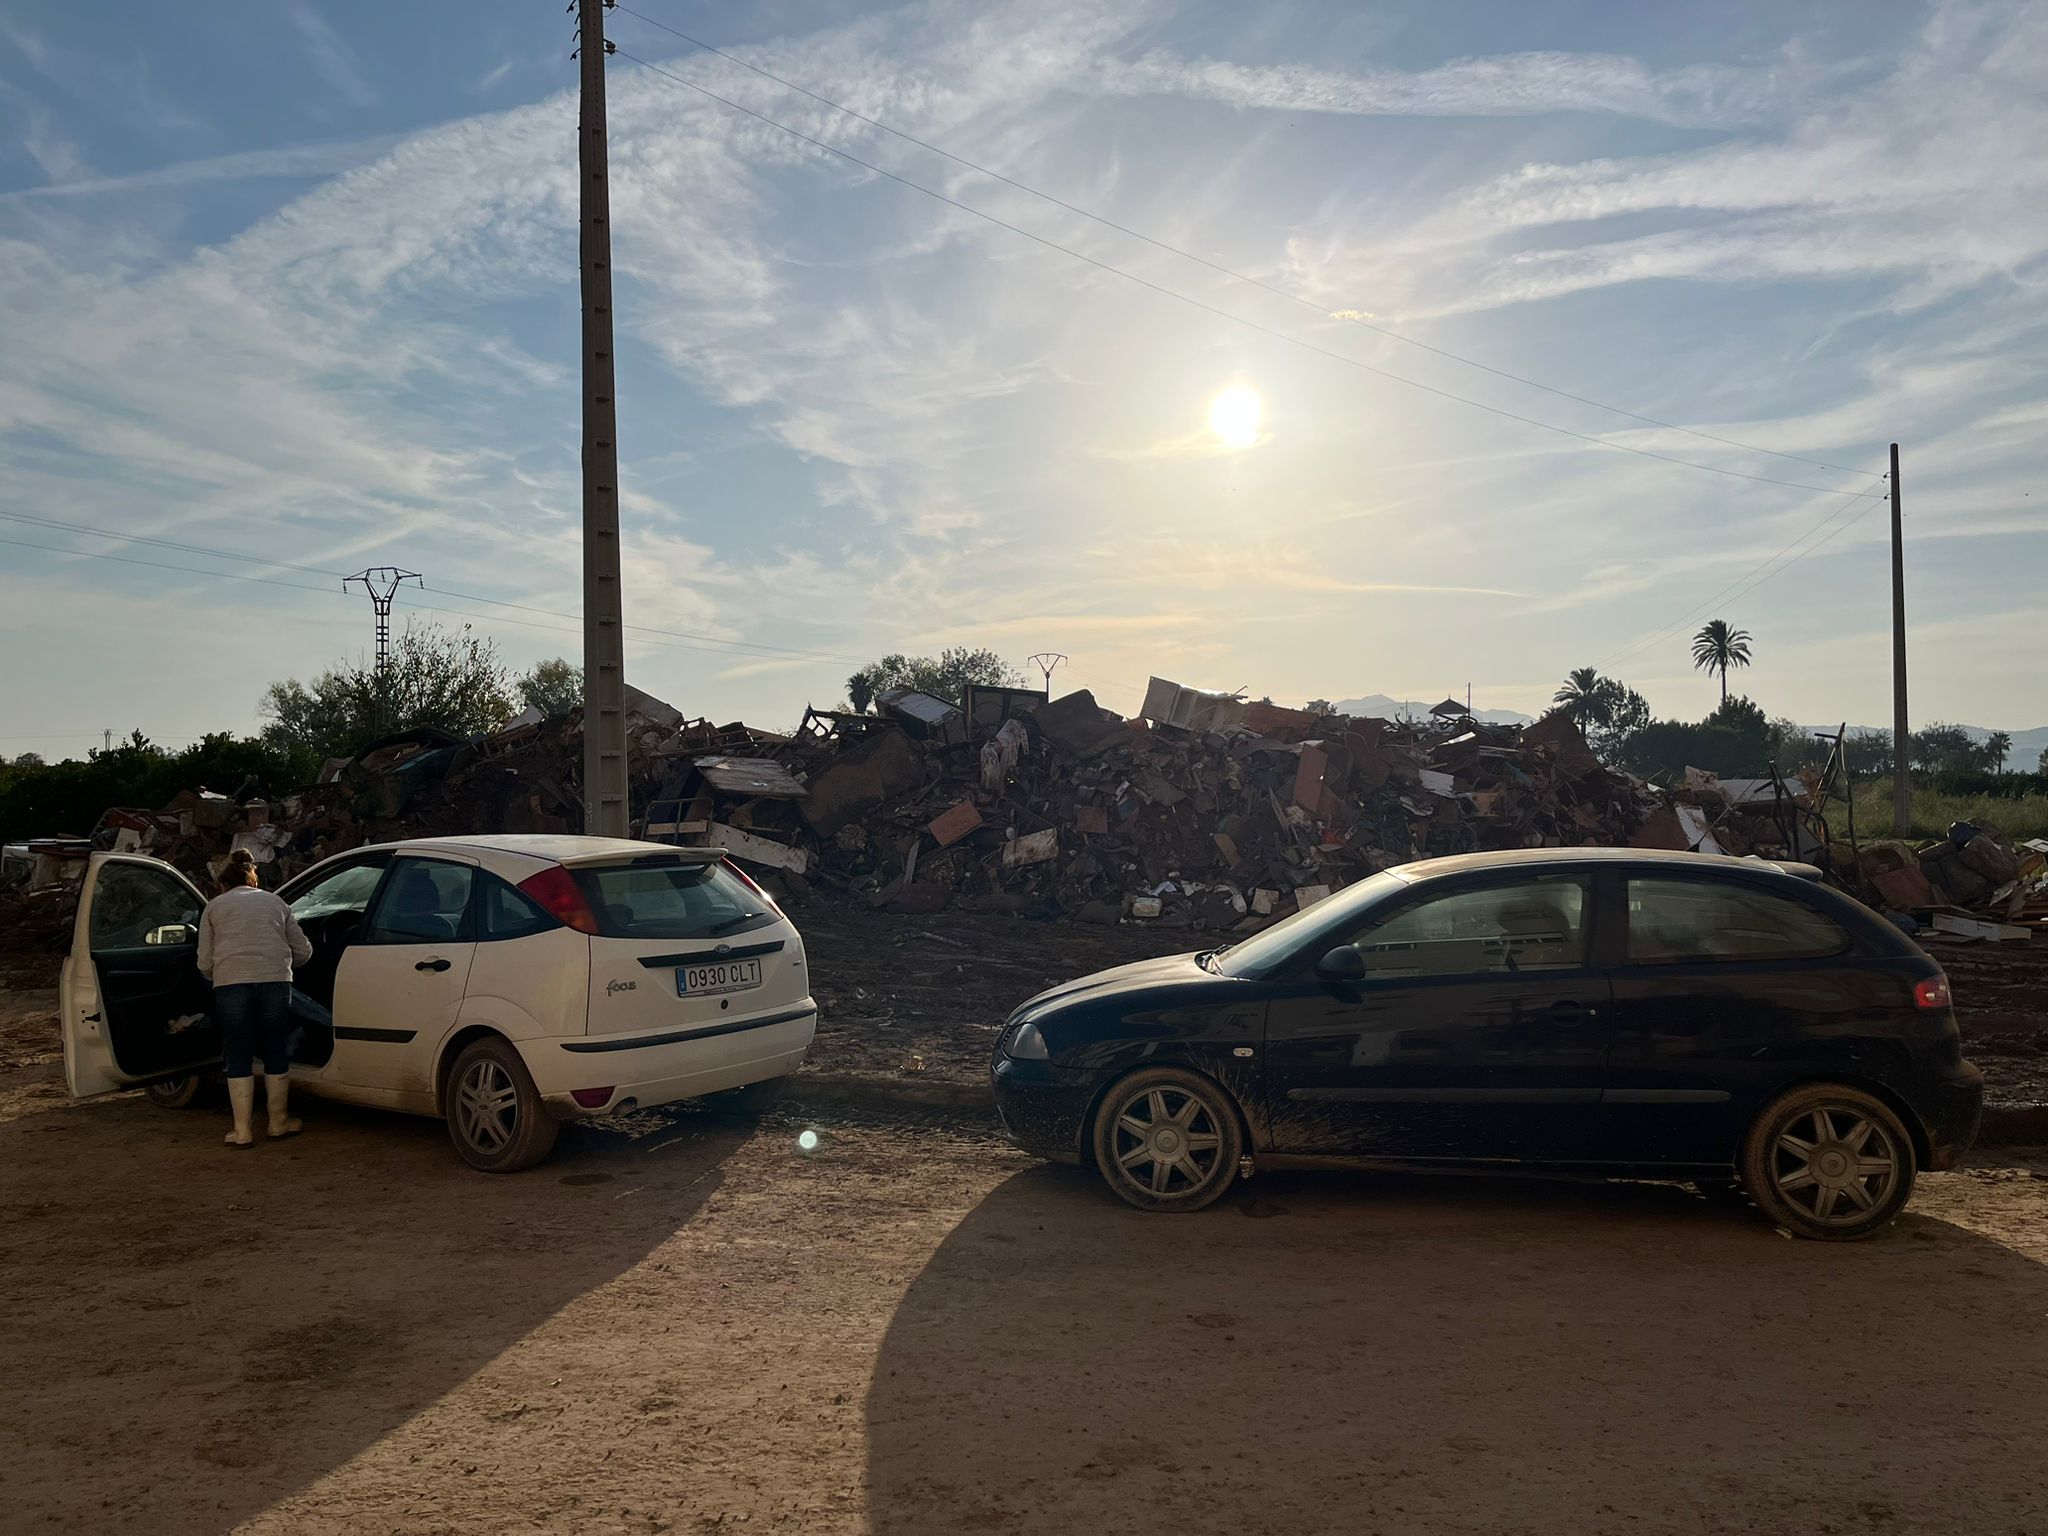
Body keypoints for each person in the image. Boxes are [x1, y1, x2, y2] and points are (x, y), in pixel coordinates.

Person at [197, 850, 314, 1148]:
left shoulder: (214, 907)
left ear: (223, 885)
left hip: (231, 984)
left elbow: (204, 961)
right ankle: (278, 1122)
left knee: (238, 1051)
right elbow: (303, 951)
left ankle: (242, 1130)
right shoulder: (276, 902)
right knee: (275, 1047)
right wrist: (285, 964)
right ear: (253, 879)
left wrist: (219, 974)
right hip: (275, 982)